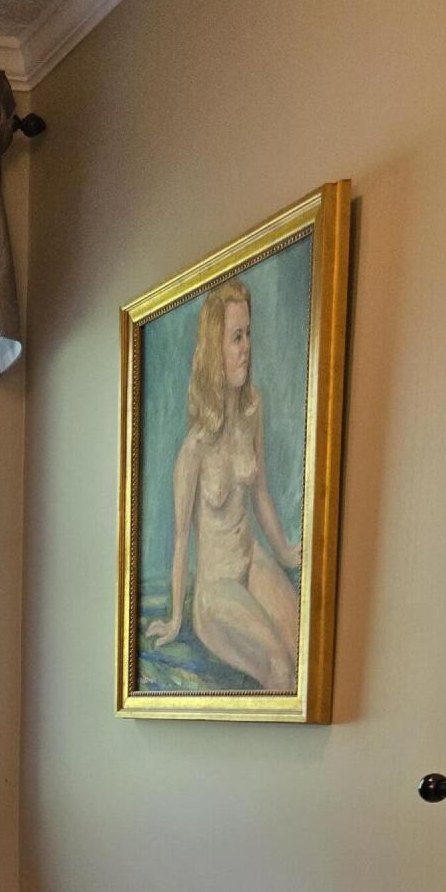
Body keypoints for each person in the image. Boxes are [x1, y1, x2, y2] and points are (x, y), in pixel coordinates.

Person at [146, 277, 301, 689]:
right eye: (235, 338)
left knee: (302, 647)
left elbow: (263, 491)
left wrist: (285, 551)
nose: (246, 347)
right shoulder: (193, 449)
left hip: (251, 560)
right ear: (215, 349)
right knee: (278, 663)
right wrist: (176, 617)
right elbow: (181, 540)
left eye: (248, 334)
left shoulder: (253, 410)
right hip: (216, 592)